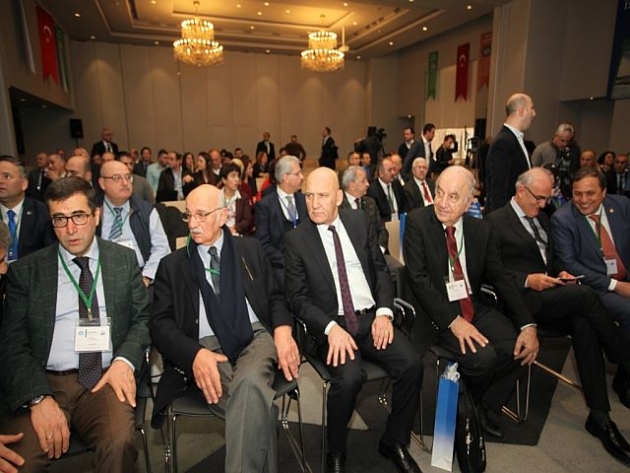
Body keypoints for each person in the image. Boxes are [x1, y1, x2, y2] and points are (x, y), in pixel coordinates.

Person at [0, 176, 150, 472]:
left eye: (79, 216)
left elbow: (142, 320)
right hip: (44, 380)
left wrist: (124, 361)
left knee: (118, 444)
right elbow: (11, 343)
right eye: (60, 219)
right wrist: (37, 398)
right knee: (18, 463)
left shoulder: (123, 260)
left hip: (104, 378)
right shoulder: (27, 271)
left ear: (96, 215)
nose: (70, 229)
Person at [150, 184, 299, 473]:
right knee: (255, 399)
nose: (192, 223)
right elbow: (159, 324)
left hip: (255, 336)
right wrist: (194, 355)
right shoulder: (172, 265)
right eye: (188, 215)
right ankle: (262, 414)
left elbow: (275, 297)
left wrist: (282, 330)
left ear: (222, 215)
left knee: (250, 383)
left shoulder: (250, 249)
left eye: (201, 214)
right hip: (205, 348)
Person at [487, 168, 630, 464]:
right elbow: (490, 273)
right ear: (521, 191)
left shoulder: (542, 217)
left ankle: (600, 418)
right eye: (539, 198)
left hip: (551, 296)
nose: (544, 204)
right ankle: (620, 354)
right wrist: (528, 280)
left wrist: (559, 273)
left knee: (585, 323)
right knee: (585, 295)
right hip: (520, 302)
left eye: (547, 198)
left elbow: (550, 259)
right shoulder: (495, 221)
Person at [285, 167, 422, 473]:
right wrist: (330, 328)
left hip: (371, 318)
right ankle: (335, 451)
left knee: (411, 364)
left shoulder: (359, 221)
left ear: (338, 197)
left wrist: (384, 313)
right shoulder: (296, 240)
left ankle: (394, 441)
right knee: (349, 378)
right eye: (309, 196)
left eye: (322, 196)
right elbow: (297, 299)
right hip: (331, 324)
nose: (314, 204)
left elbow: (381, 269)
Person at [403, 166, 539, 439]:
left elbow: (501, 277)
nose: (442, 202)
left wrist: (528, 324)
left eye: (453, 197)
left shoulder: (481, 230)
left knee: (518, 345)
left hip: (471, 305)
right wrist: (453, 322)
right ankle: (469, 409)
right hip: (436, 314)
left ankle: (481, 405)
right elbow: (419, 280)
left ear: (468, 203)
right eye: (439, 192)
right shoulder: (418, 222)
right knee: (483, 359)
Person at [551, 167, 630, 343]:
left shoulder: (622, 205)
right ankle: (621, 355)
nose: (584, 200)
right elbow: (569, 263)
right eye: (578, 194)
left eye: (590, 193)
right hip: (596, 286)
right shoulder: (562, 219)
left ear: (604, 192)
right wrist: (616, 285)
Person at [96, 160, 170, 288]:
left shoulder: (146, 211)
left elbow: (162, 248)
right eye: (117, 178)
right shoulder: (92, 212)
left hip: (140, 276)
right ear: (102, 183)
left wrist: (146, 278)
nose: (125, 183)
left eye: (128, 177)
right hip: (104, 279)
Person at [255, 156, 306, 286]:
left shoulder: (305, 200)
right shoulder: (265, 206)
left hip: (306, 262)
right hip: (280, 265)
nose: (302, 177)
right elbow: (263, 243)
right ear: (285, 177)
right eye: (297, 173)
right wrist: (286, 261)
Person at [484, 93, 536, 213]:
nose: (534, 113)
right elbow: (498, 190)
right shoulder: (503, 143)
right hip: (506, 217)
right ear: (522, 111)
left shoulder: (515, 140)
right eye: (532, 108)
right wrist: (501, 221)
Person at [0, 155, 56, 262]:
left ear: (24, 184)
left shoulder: (43, 212)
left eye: (7, 176)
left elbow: (50, 254)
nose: (0, 181)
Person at [367, 157, 408, 222]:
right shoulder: (373, 190)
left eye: (393, 169)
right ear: (381, 173)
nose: (393, 173)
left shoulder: (396, 184)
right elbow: (375, 216)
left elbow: (404, 204)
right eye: (389, 170)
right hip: (384, 223)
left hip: (400, 221)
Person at [219, 163, 253, 236]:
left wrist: (235, 228)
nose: (237, 179)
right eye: (233, 176)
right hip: (220, 233)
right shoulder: (216, 196)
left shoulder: (243, 197)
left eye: (238, 176)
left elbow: (247, 220)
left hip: (238, 234)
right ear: (224, 180)